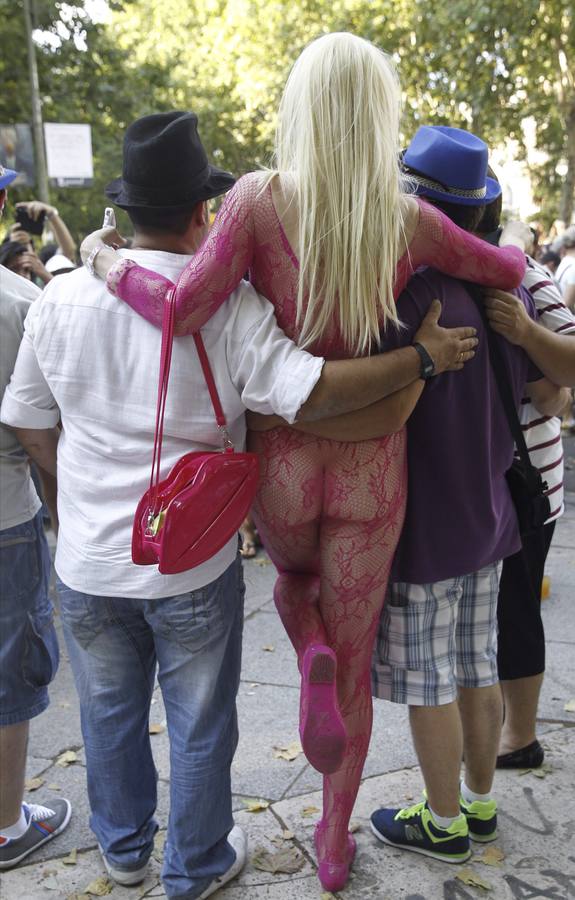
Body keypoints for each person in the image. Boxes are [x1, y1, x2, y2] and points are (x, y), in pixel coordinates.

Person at [78, 34, 527, 891]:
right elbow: (501, 264)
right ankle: (330, 844)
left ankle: (304, 637)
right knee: (356, 675)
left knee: (291, 584)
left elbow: (178, 309)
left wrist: (102, 260)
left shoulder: (252, 201)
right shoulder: (408, 220)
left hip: (284, 462)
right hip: (372, 469)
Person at [0, 113, 476, 899]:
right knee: (197, 723)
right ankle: (197, 867)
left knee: (109, 717)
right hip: (189, 558)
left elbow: (25, 416)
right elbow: (315, 391)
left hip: (85, 560)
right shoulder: (230, 311)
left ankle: (122, 855)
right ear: (200, 215)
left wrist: (68, 493)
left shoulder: (59, 299)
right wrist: (418, 359)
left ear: (121, 212)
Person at [255, 126, 563, 863]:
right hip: (492, 517)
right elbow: (550, 393)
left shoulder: (398, 292)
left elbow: (372, 402)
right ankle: (482, 806)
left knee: (429, 682)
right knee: (477, 668)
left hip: (423, 526)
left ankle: (444, 822)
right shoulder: (504, 289)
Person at [478, 196, 575, 768]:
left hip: (524, 478)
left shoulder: (526, 279)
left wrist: (523, 333)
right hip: (497, 478)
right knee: (500, 610)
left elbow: (555, 387)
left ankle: (521, 736)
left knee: (515, 606)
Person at [0, 162, 71, 869]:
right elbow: (35, 422)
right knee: (11, 667)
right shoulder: (20, 300)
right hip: (5, 514)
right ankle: (7, 823)